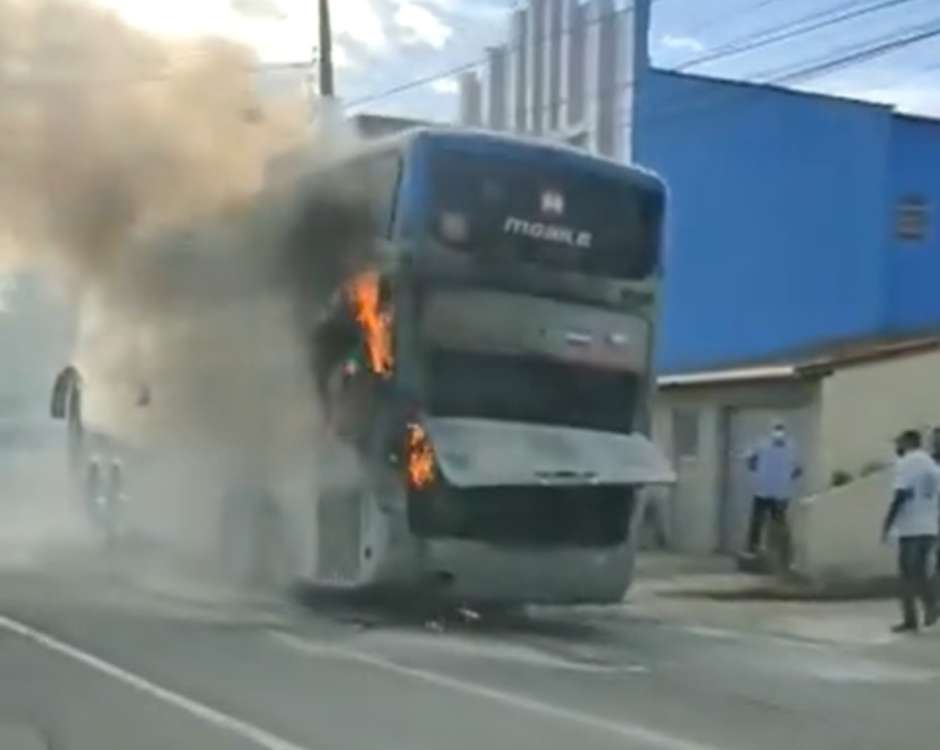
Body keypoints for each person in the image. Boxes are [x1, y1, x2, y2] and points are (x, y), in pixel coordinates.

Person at [882, 429, 940, 633]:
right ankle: (931, 606)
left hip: (911, 528)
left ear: (908, 442)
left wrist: (888, 523)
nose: (897, 447)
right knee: (922, 572)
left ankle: (910, 619)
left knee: (906, 575)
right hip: (930, 526)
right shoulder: (931, 464)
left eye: (899, 443)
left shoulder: (907, 462)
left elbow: (902, 494)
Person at [744, 420, 802, 567]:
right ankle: (757, 549)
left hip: (774, 492)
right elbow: (797, 470)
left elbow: (750, 460)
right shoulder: (765, 445)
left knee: (773, 522)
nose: (778, 434)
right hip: (769, 491)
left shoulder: (787, 448)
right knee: (762, 522)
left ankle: (777, 552)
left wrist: (757, 471)